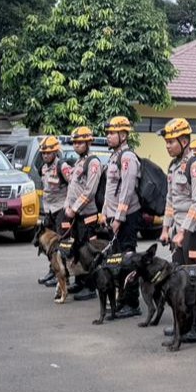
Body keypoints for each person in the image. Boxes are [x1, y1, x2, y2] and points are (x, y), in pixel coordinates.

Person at [159, 117, 196, 343]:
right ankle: (185, 323)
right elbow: (170, 201)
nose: (167, 146)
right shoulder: (173, 167)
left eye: (171, 141)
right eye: (166, 142)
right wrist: (166, 228)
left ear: (184, 141)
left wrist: (184, 231)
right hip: (179, 232)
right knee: (181, 278)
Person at [102, 116, 143, 319]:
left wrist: (119, 218)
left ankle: (132, 303)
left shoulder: (127, 158)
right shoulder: (114, 157)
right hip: (114, 216)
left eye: (112, 133)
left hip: (127, 217)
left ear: (124, 135)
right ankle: (122, 299)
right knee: (117, 260)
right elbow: (110, 189)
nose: (108, 136)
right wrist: (105, 212)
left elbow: (127, 190)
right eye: (108, 133)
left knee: (128, 260)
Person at [62, 127, 105, 301]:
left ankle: (90, 286)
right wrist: (67, 205)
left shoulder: (93, 163)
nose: (76, 145)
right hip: (76, 216)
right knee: (78, 250)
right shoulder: (79, 162)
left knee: (89, 251)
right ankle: (80, 282)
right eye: (74, 143)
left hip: (87, 215)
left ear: (88, 143)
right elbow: (72, 188)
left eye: (80, 142)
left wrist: (74, 209)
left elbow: (90, 191)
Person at [37, 136, 75, 287]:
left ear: (55, 152)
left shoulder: (62, 166)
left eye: (48, 153)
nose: (45, 155)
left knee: (62, 244)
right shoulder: (43, 168)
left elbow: (73, 184)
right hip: (49, 210)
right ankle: (53, 270)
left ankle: (64, 275)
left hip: (61, 209)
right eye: (43, 153)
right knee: (50, 244)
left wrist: (69, 204)